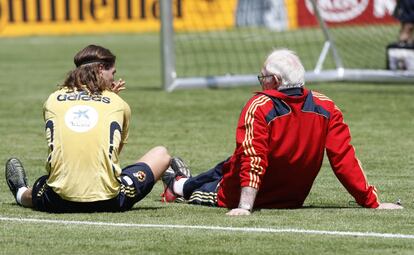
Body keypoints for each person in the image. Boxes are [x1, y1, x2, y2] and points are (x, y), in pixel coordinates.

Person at [161, 49, 404, 216]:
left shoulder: (259, 106)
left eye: (263, 77)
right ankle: (185, 178)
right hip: (291, 197)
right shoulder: (327, 107)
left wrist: (244, 207)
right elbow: (344, 159)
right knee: (227, 164)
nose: (261, 81)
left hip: (240, 194)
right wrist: (373, 202)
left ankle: (177, 185)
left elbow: (254, 159)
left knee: (202, 186)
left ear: (275, 80)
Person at [5, 44, 172, 213]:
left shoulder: (53, 100)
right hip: (109, 201)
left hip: (57, 200)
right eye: (112, 73)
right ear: (100, 69)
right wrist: (111, 97)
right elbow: (112, 156)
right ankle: (176, 185)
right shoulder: (118, 104)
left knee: (43, 184)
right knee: (162, 154)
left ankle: (21, 193)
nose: (114, 80)